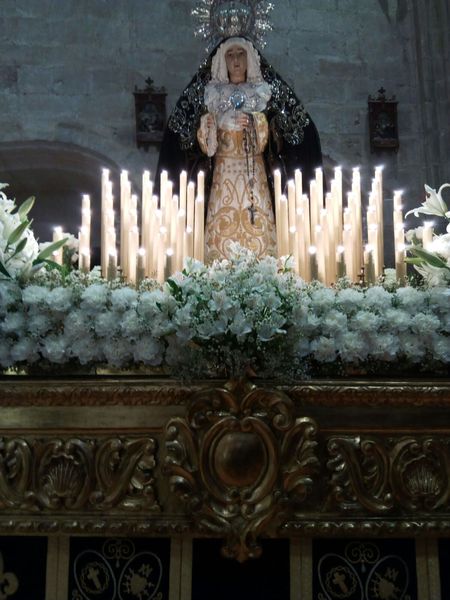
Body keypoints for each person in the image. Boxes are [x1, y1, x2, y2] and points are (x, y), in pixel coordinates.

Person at [156, 36, 323, 261]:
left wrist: (254, 121)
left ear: (250, 58)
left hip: (254, 172)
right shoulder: (214, 94)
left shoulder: (261, 91)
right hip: (223, 172)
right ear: (222, 60)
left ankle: (263, 267)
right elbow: (201, 147)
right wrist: (213, 124)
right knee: (222, 228)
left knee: (257, 225)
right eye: (230, 55)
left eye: (241, 54)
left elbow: (276, 136)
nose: (236, 60)